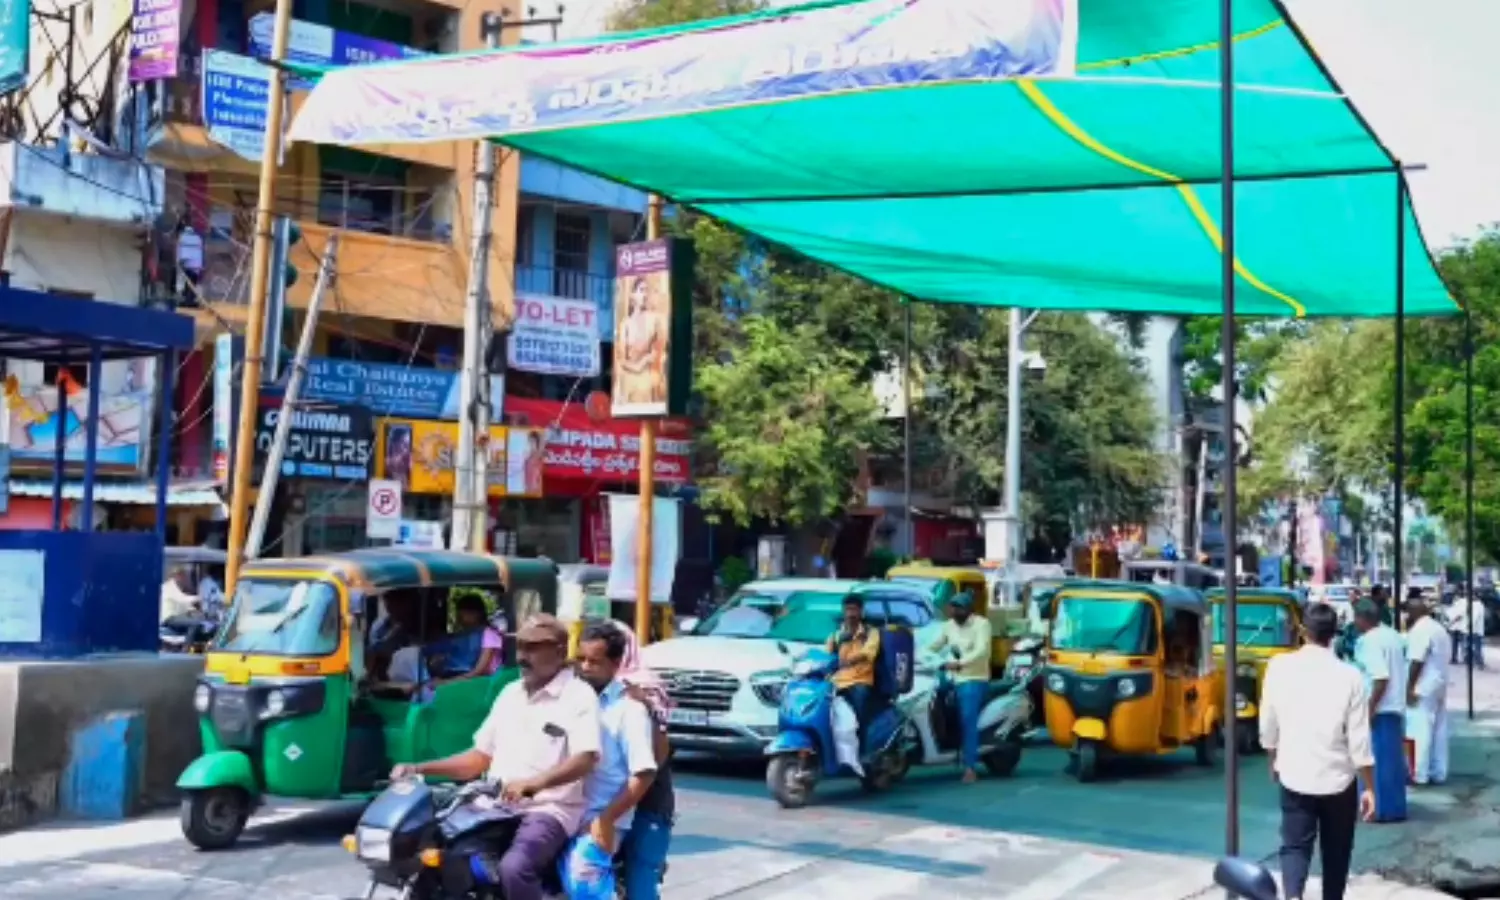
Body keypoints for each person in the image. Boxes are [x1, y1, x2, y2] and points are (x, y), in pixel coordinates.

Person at [391, 614, 601, 900]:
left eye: (535, 647)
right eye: (522, 646)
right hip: (493, 806)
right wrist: (418, 767)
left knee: (515, 869)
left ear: (560, 651)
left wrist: (535, 784)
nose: (524, 655)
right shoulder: (510, 693)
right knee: (432, 851)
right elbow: (478, 758)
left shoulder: (578, 696)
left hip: (547, 810)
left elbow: (586, 758)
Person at [1260, 602, 1376, 900]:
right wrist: (1370, 788)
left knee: (1295, 845)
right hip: (1339, 779)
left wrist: (1273, 758)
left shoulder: (1279, 666)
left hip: (1295, 771)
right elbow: (1359, 739)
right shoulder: (1350, 676)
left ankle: (1294, 896)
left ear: (1302, 631)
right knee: (1336, 850)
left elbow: (1269, 721)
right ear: (1333, 635)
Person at [566, 623, 659, 898]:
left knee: (581, 876)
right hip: (561, 813)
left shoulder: (628, 710)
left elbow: (644, 774)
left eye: (594, 661)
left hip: (600, 818)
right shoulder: (572, 700)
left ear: (616, 663)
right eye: (580, 659)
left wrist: (606, 818)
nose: (585, 667)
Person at [612, 622, 673, 900]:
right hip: (602, 802)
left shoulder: (645, 689)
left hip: (646, 804)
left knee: (640, 882)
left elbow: (657, 757)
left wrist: (646, 707)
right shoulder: (588, 689)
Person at [926, 591, 993, 784]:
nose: (955, 611)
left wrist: (961, 663)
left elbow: (982, 650)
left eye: (959, 608)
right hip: (950, 677)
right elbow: (932, 647)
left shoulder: (982, 624)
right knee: (930, 703)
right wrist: (922, 656)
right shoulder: (948, 626)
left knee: (967, 719)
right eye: (953, 607)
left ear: (969, 609)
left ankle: (970, 766)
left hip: (974, 678)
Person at [1352, 599, 1407, 822]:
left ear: (1362, 619)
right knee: (1392, 763)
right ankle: (1393, 808)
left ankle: (1377, 809)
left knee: (1375, 762)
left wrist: (1369, 708)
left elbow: (1380, 677)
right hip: (1394, 705)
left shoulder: (1368, 642)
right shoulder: (1391, 635)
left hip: (1380, 707)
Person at [1405, 598, 1452, 786]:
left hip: (1424, 685)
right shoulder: (1438, 628)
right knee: (1439, 729)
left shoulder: (1420, 630)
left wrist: (1409, 687)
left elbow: (1417, 660)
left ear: (1413, 612)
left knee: (1420, 730)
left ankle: (1420, 774)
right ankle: (1438, 771)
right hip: (1440, 682)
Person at [825, 594, 881, 737]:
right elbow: (825, 656)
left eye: (854, 610)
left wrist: (849, 660)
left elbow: (869, 652)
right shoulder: (836, 635)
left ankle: (862, 743)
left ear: (861, 612)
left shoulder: (871, 632)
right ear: (843, 612)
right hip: (838, 681)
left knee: (859, 709)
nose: (851, 614)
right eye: (848, 610)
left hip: (860, 680)